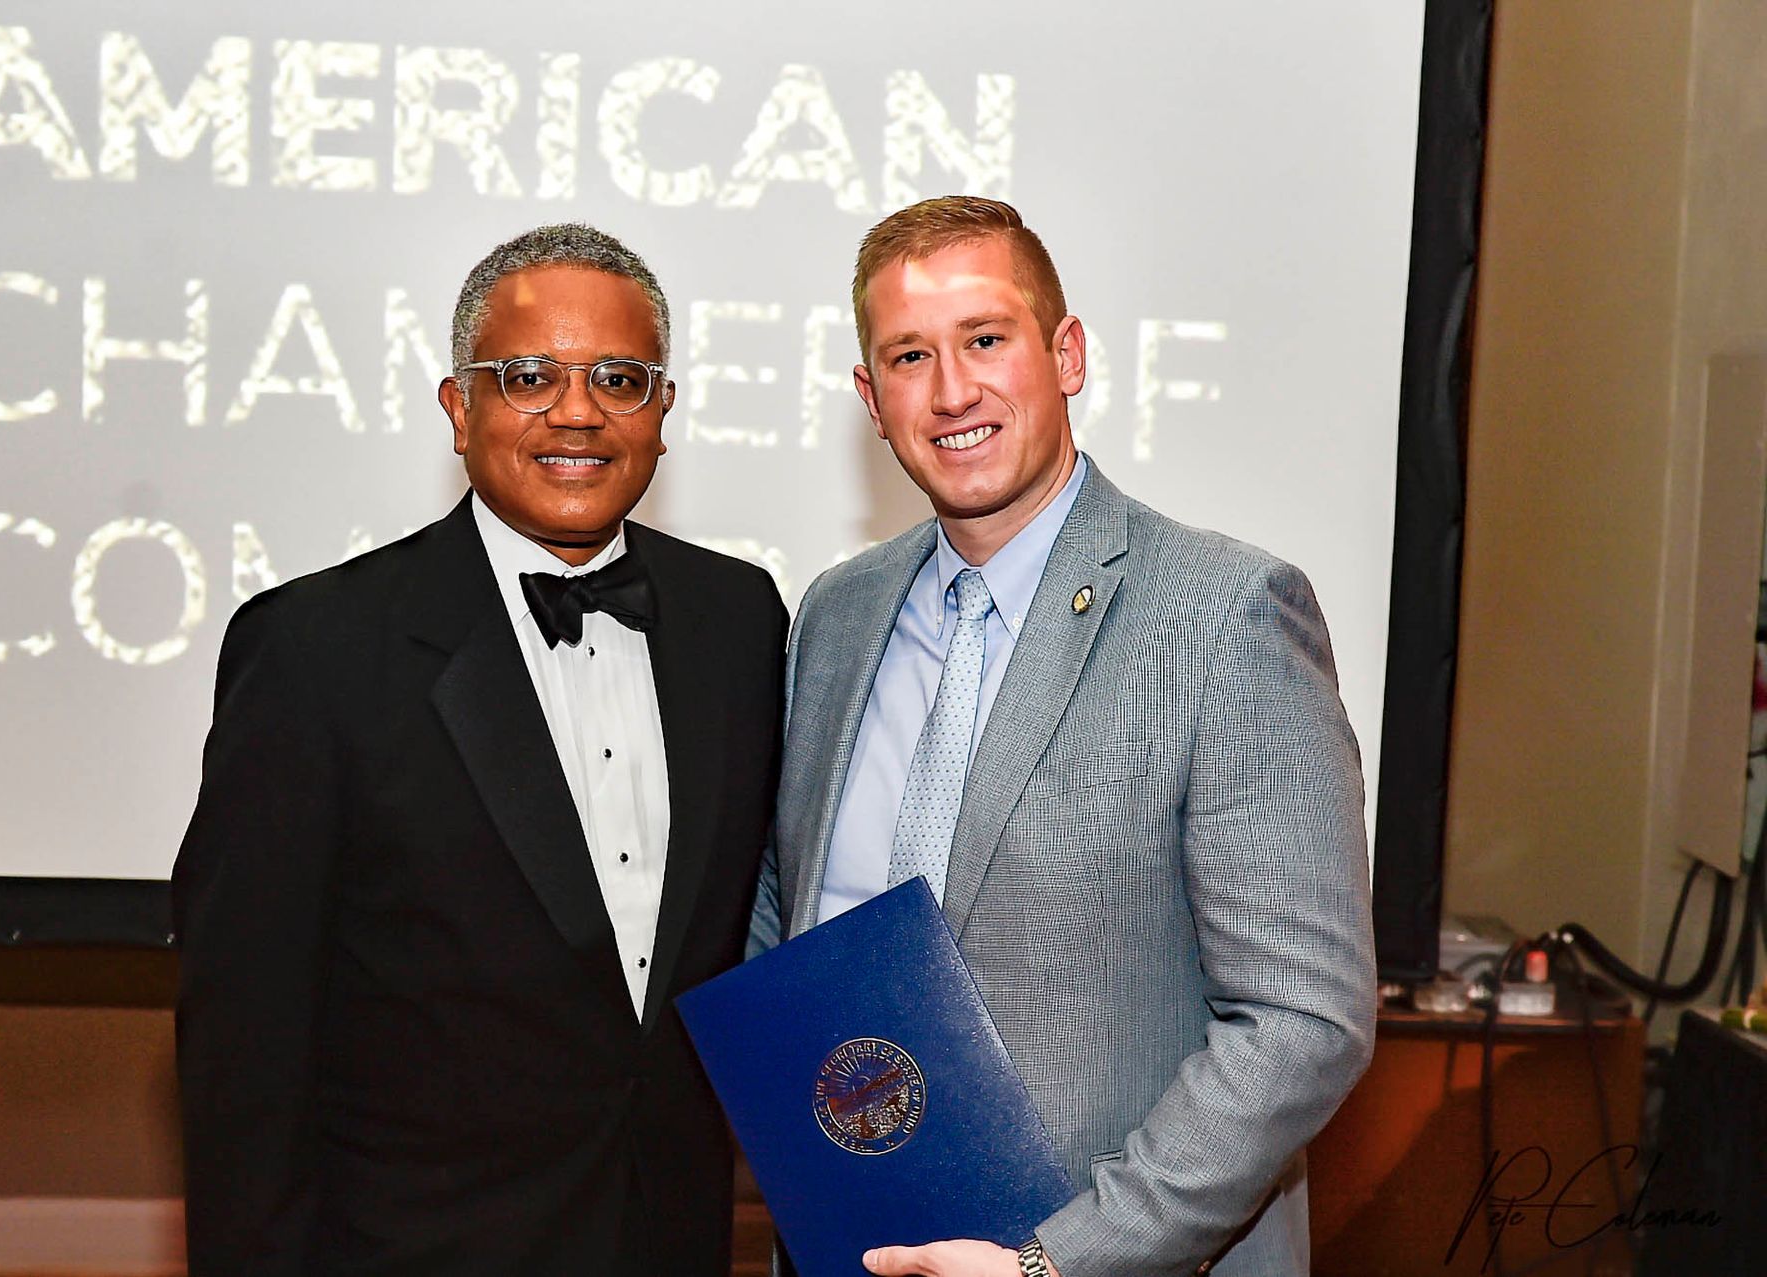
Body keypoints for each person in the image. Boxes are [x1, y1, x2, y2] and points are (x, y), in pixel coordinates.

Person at [751, 197, 1375, 1277]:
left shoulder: (1224, 614)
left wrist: (1052, 1264)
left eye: (986, 339)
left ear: (1068, 353)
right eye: (910, 356)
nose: (952, 390)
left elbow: (1302, 1016)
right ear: (871, 397)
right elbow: (789, 924)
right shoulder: (836, 616)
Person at [174, 223, 787, 1276]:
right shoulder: (317, 650)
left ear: (663, 411)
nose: (578, 411)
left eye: (619, 379)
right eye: (529, 377)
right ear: (461, 409)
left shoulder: (737, 618)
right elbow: (246, 1050)